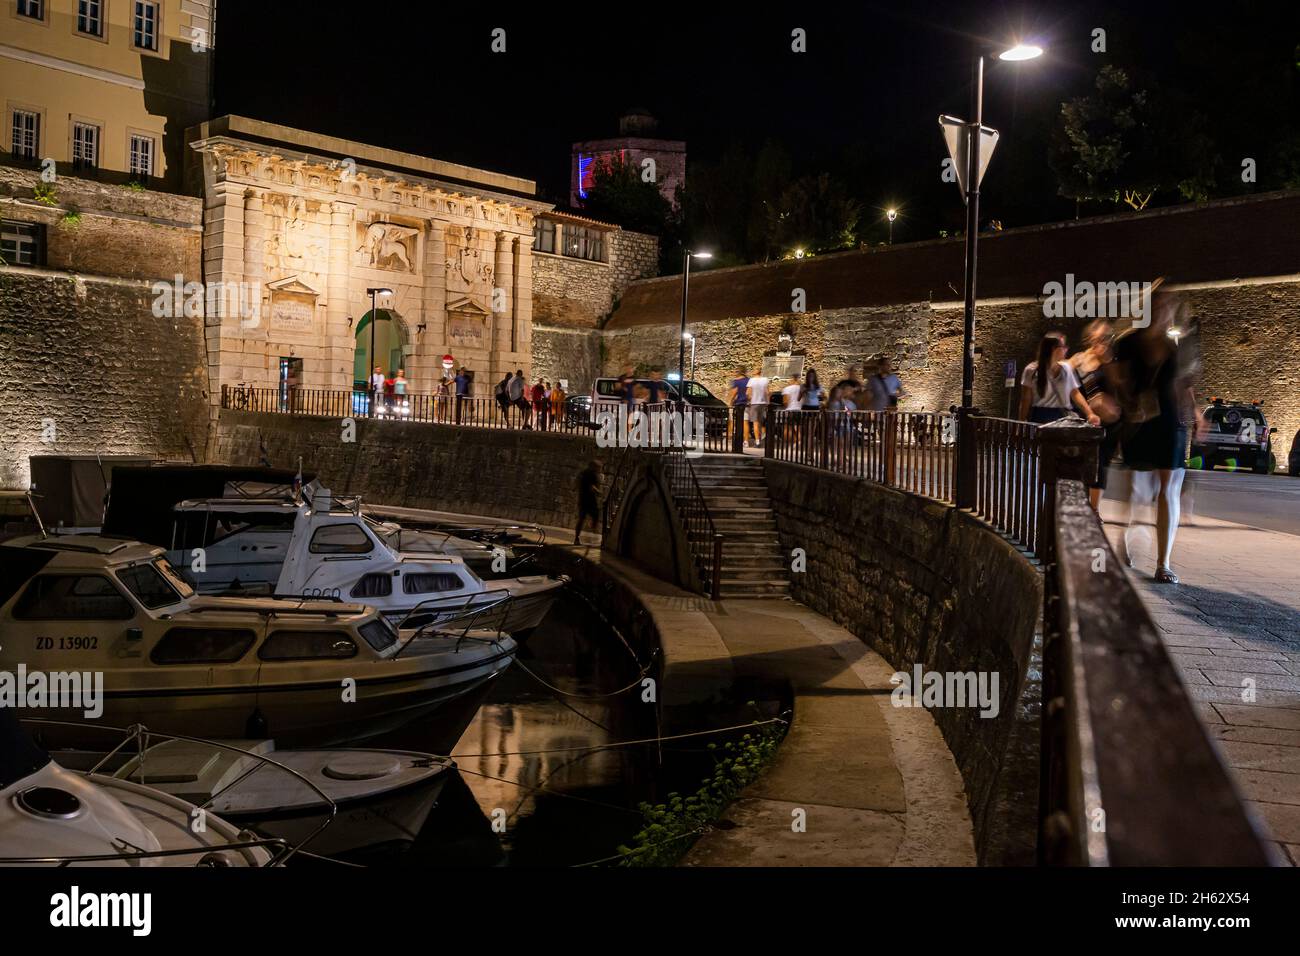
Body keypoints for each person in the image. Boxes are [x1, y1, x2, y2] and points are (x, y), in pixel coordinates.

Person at [1111, 287, 1205, 584]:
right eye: (1159, 307)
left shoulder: (1176, 348)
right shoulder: (1128, 344)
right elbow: (1120, 380)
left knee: (1169, 488)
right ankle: (1126, 534)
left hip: (1170, 422)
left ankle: (1163, 563)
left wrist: (1198, 414)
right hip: (1140, 421)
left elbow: (1184, 385)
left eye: (1168, 308)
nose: (1164, 313)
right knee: (1135, 487)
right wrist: (1126, 401)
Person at [1069, 320, 1121, 509]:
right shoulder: (1079, 359)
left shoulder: (1111, 361)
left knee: (1100, 463)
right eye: (1101, 337)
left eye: (1108, 337)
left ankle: (1094, 509)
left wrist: (1107, 361)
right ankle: (1080, 503)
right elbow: (1062, 373)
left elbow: (1119, 388)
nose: (1105, 341)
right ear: (1090, 338)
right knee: (1080, 462)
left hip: (1106, 423)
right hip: (1083, 419)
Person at [1018, 333, 1099, 425]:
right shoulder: (1031, 370)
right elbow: (1026, 399)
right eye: (1063, 346)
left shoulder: (1066, 368)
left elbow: (1075, 393)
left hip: (1062, 416)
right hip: (1041, 417)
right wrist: (1021, 422)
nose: (1066, 349)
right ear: (1053, 349)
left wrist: (1090, 414)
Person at [575, 460, 602, 545]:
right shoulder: (591, 474)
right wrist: (598, 492)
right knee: (595, 514)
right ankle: (592, 530)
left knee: (581, 519)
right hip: (589, 500)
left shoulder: (583, 473)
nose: (599, 469)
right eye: (598, 467)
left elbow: (577, 482)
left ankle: (577, 538)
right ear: (593, 466)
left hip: (582, 498)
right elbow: (592, 486)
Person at [745, 366, 771, 447]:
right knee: (760, 423)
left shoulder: (751, 380)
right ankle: (760, 439)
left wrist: (748, 401)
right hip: (763, 404)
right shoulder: (765, 380)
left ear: (756, 372)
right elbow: (768, 392)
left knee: (755, 423)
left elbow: (748, 393)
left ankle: (757, 442)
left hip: (754, 403)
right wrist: (768, 402)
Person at [729, 365, 750, 447]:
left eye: (736, 371)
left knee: (733, 422)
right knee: (745, 422)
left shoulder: (736, 381)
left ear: (739, 372)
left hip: (737, 404)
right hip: (746, 404)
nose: (734, 372)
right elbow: (749, 392)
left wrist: (730, 403)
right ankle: (746, 441)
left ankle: (731, 439)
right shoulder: (749, 380)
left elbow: (733, 393)